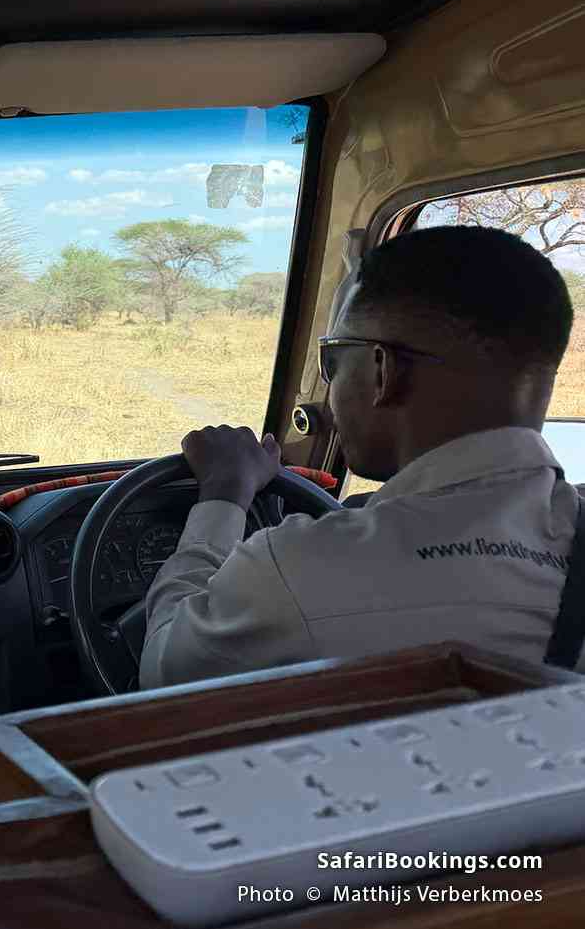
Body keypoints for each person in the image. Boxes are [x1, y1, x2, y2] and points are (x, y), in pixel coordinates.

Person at [140, 225, 580, 688]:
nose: (329, 389)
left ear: (381, 370)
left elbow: (163, 673)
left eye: (332, 361)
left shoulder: (301, 567)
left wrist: (223, 496)